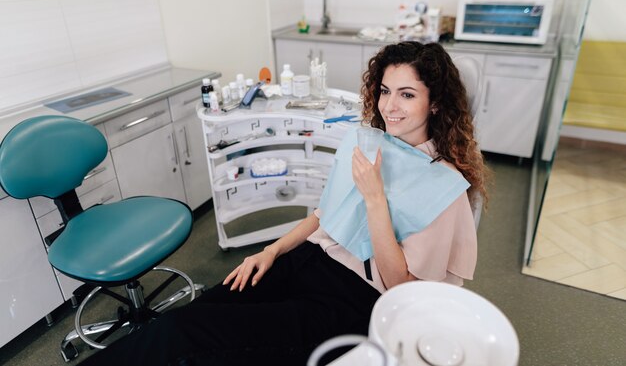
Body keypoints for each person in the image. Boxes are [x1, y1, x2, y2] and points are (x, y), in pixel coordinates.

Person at [78, 41, 487, 366]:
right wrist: (270, 251)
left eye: (407, 94)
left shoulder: (444, 187)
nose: (388, 106)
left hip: (352, 299)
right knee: (186, 317)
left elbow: (400, 287)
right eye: (384, 91)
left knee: (187, 337)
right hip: (307, 260)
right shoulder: (368, 141)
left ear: (434, 103)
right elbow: (326, 216)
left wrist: (376, 199)